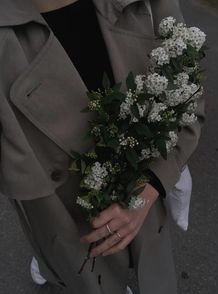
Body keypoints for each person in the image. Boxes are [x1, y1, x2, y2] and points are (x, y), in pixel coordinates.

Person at [0, 0, 205, 293]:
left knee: (149, 262)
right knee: (89, 273)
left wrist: (155, 182)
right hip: (63, 214)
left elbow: (190, 86)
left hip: (145, 183)